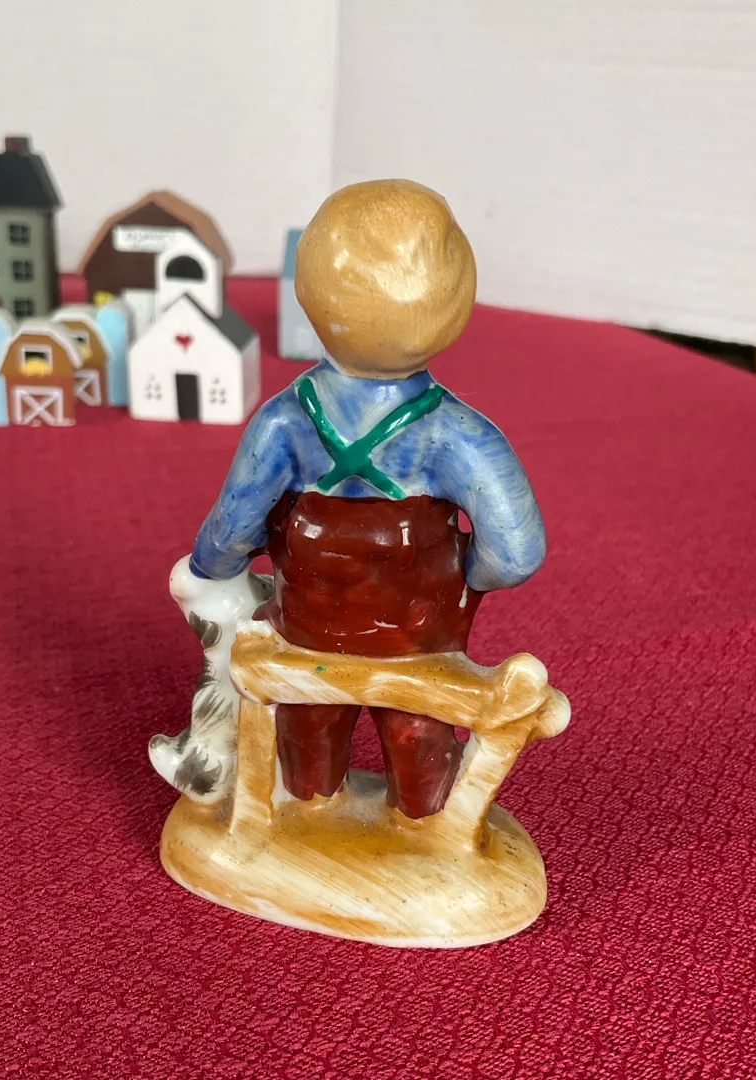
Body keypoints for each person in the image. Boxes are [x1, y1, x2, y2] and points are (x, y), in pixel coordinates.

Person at [191, 179, 545, 818]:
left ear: (309, 296)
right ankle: (421, 819)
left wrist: (206, 569)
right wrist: (460, 580)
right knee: (419, 732)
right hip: (418, 633)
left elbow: (232, 529)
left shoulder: (283, 421)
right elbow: (516, 553)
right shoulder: (459, 434)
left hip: (308, 626)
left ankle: (310, 806)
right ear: (456, 306)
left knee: (307, 725)